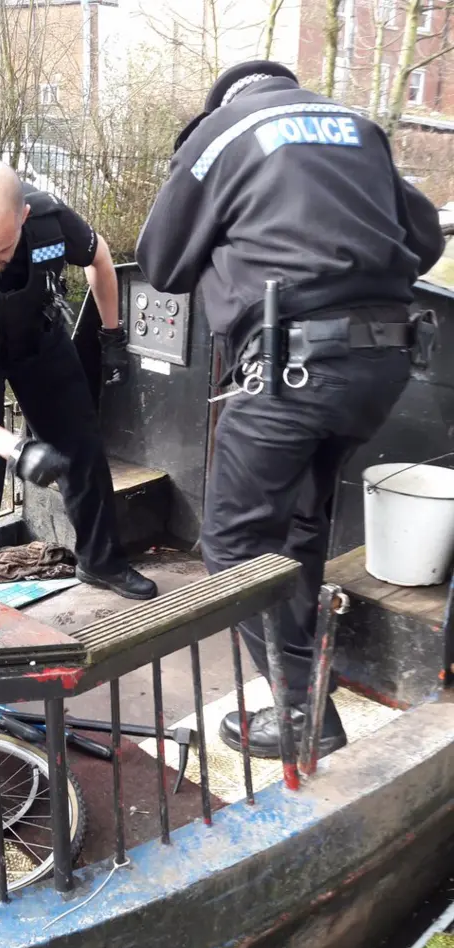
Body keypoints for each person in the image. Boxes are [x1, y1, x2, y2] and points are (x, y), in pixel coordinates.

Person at [136, 60, 444, 759]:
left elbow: (160, 261)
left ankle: (305, 716)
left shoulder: (219, 134)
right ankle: (304, 690)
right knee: (301, 525)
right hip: (385, 363)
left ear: (225, 100)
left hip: (296, 368)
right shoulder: (356, 125)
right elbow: (423, 238)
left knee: (236, 545)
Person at [0, 158, 157, 601]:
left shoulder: (50, 220)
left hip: (39, 337)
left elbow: (99, 258)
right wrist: (14, 446)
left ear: (22, 218)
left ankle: (101, 563)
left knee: (82, 449)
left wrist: (111, 334)